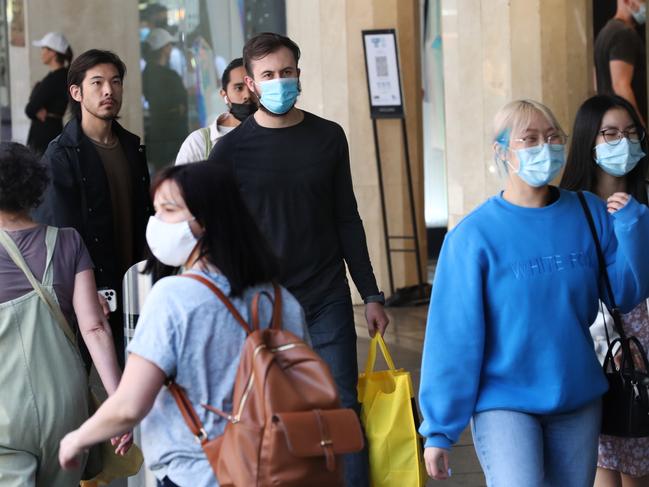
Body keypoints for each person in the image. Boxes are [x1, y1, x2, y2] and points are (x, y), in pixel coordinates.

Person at [419, 99, 649, 486]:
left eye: (552, 137)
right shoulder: (473, 237)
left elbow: (624, 294)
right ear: (501, 152)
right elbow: (453, 337)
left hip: (577, 397)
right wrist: (439, 430)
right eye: (530, 139)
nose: (545, 147)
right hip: (504, 401)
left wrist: (632, 228)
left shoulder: (588, 212)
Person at [208, 32, 389, 487]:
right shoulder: (229, 151)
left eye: (286, 72)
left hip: (326, 297)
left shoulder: (328, 137)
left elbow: (347, 218)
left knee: (342, 407)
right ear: (249, 83)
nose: (279, 82)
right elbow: (217, 233)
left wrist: (370, 294)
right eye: (268, 75)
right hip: (261, 302)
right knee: (271, 412)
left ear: (299, 75)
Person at [58, 161, 307, 487]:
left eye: (169, 210)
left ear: (205, 222)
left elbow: (130, 405)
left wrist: (76, 439)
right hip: (277, 468)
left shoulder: (174, 297)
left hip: (198, 472)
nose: (156, 222)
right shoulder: (282, 300)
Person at [0, 142, 130, 486]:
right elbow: (95, 328)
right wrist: (119, 402)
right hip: (65, 406)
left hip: (4, 411)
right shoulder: (68, 242)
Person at [33, 49, 152, 366]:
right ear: (76, 92)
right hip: (91, 294)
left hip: (136, 285)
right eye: (97, 83)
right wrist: (85, 291)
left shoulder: (131, 146)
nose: (108, 91)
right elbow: (60, 233)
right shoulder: (61, 156)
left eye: (115, 82)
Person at [560, 94, 649, 487]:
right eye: (609, 133)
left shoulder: (643, 200)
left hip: (641, 347)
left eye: (631, 133)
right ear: (588, 141)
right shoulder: (569, 207)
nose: (623, 142)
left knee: (635, 462)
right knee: (600, 460)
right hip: (593, 349)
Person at [175, 57, 257, 164]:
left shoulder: (274, 135)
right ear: (224, 95)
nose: (247, 95)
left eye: (252, 86)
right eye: (239, 88)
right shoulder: (199, 143)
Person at [594, 0, 647, 124]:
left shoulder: (605, 32)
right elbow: (621, 86)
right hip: (623, 123)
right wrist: (639, 126)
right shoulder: (624, 34)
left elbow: (596, 82)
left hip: (611, 121)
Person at [143, 28, 188, 168]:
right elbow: (182, 105)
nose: (171, 49)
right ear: (164, 49)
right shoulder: (170, 76)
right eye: (169, 45)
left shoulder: (146, 74)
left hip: (157, 137)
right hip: (173, 140)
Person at [25, 32, 73, 156]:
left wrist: (35, 107)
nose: (41, 53)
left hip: (45, 136)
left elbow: (30, 108)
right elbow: (33, 105)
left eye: (44, 49)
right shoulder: (59, 76)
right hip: (50, 132)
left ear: (53, 52)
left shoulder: (56, 78)